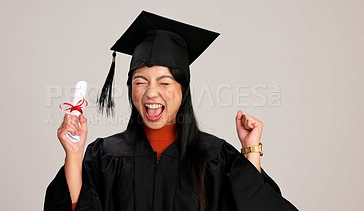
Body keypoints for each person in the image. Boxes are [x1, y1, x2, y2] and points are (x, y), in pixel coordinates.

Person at [44, 11, 298, 211]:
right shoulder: (104, 156)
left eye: (164, 82)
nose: (151, 93)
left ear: (183, 89)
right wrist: (74, 156)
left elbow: (253, 204)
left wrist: (251, 152)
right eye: (140, 82)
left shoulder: (214, 157)